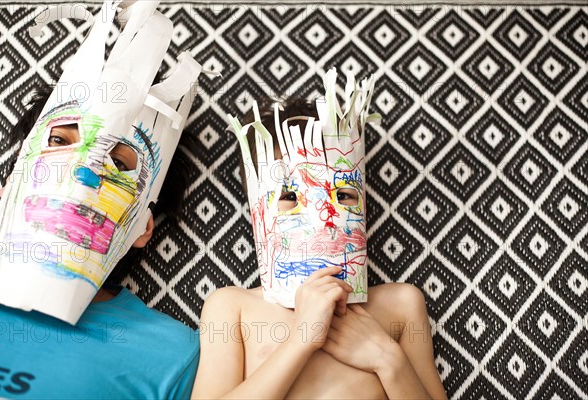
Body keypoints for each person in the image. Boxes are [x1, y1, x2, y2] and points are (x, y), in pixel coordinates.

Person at [0, 2, 204, 398]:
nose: (82, 174)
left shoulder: (168, 354)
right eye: (58, 141)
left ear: (143, 227)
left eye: (118, 163)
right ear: (7, 192)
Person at [191, 70, 447, 399]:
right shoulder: (231, 308)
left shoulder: (400, 305)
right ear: (258, 210)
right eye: (289, 198)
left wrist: (387, 359)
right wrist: (301, 338)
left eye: (342, 196)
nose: (322, 218)